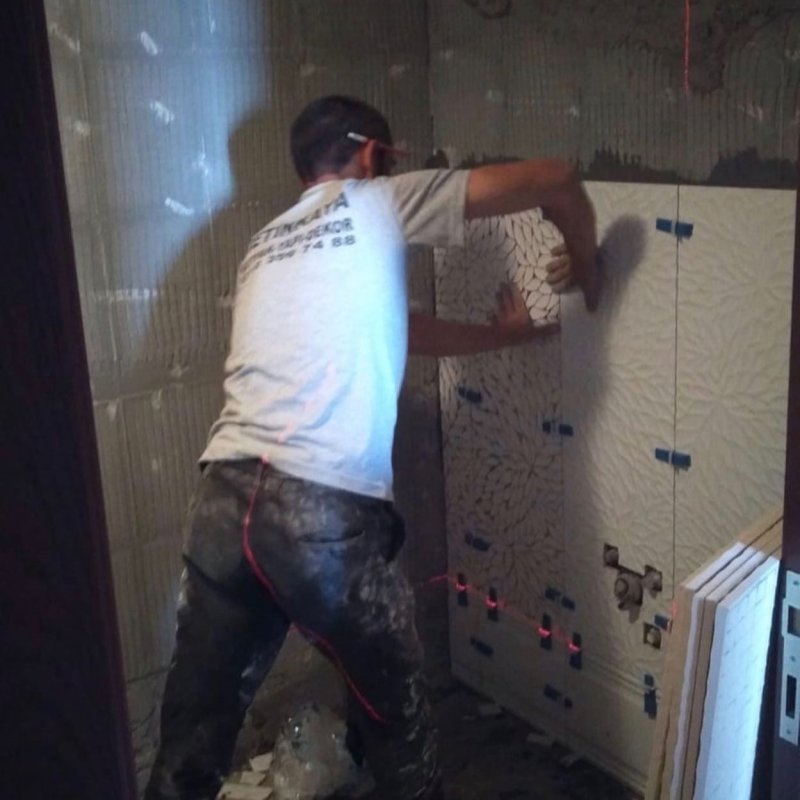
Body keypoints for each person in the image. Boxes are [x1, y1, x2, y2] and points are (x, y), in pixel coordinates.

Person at [145, 95, 599, 800]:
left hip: (222, 507)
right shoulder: (377, 199)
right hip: (317, 512)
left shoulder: (264, 245)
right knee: (398, 720)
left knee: (191, 742)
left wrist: (502, 337)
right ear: (371, 155)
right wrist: (588, 264)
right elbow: (556, 177)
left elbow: (399, 328)